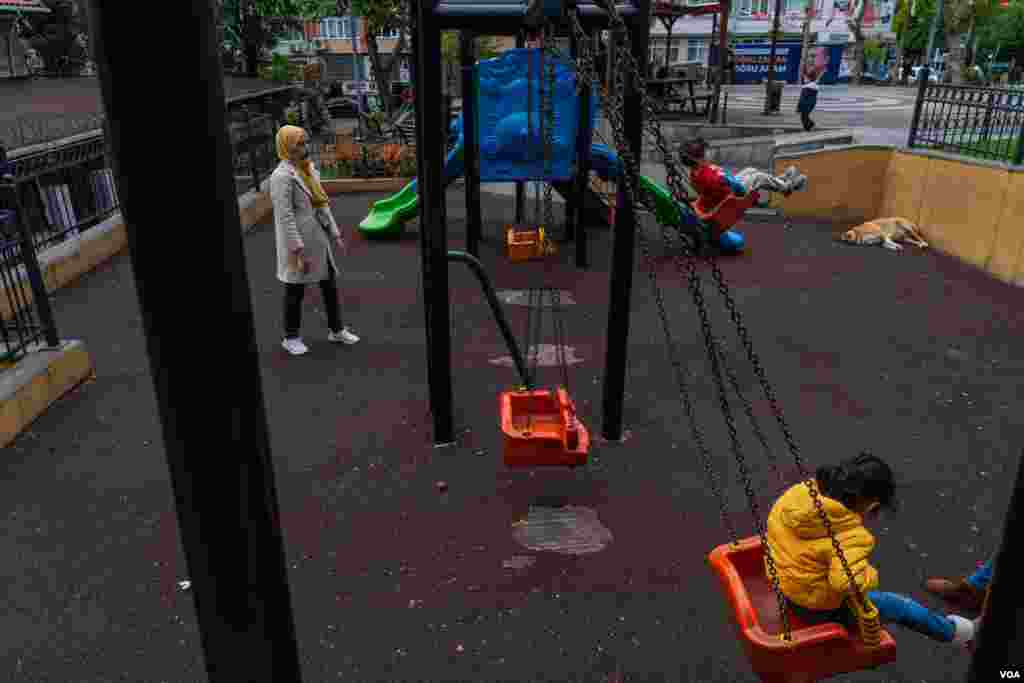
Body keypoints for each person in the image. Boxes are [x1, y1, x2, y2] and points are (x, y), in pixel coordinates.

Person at [765, 453, 979, 648]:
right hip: (817, 610)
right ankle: (962, 634)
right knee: (899, 606)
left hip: (785, 587)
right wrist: (870, 576)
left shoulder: (795, 496)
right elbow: (846, 583)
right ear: (870, 506)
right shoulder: (849, 537)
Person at [271, 125, 360, 356]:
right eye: (300, 143)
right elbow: (285, 218)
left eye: (306, 142)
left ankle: (336, 329)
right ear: (287, 147)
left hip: (317, 237)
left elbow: (321, 204)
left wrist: (335, 232)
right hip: (298, 241)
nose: (305, 147)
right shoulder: (281, 177)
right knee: (295, 289)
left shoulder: (307, 170)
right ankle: (291, 337)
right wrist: (297, 249)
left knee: (328, 284)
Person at [797, 65, 822, 132]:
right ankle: (810, 127)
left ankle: (809, 127)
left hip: (806, 104)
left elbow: (802, 98)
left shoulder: (807, 87)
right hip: (811, 104)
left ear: (809, 78)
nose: (804, 79)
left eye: (805, 78)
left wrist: (799, 107)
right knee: (805, 117)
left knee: (804, 117)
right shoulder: (813, 85)